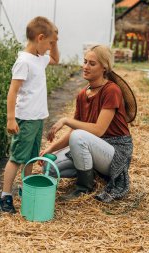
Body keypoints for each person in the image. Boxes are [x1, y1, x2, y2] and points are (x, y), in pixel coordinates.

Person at [40, 45, 137, 203]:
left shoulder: (111, 90)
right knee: (49, 167)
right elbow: (75, 133)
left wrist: (66, 120)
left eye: (92, 64)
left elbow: (98, 130)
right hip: (92, 147)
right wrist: (50, 149)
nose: (85, 67)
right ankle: (90, 171)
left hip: (115, 152)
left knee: (79, 136)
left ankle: (84, 187)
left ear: (104, 68)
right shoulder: (82, 94)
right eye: (85, 62)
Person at [0, 16, 59, 213]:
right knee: (16, 157)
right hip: (25, 118)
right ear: (40, 38)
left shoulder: (39, 59)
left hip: (37, 118)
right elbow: (12, 91)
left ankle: (27, 187)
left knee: (31, 158)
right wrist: (10, 118)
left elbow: (56, 59)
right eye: (49, 43)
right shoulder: (24, 61)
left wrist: (55, 41)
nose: (50, 48)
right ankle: (5, 196)